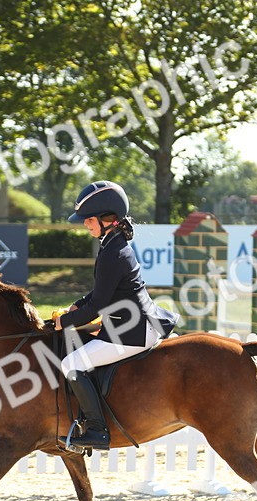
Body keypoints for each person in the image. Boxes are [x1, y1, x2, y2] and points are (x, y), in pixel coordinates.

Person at [53, 181, 179, 450]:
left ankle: (98, 431)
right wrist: (75, 306)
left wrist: (63, 322)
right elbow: (100, 293)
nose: (85, 225)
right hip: (131, 322)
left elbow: (98, 305)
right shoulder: (112, 244)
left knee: (71, 364)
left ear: (107, 219)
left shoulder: (113, 252)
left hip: (132, 331)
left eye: (89, 220)